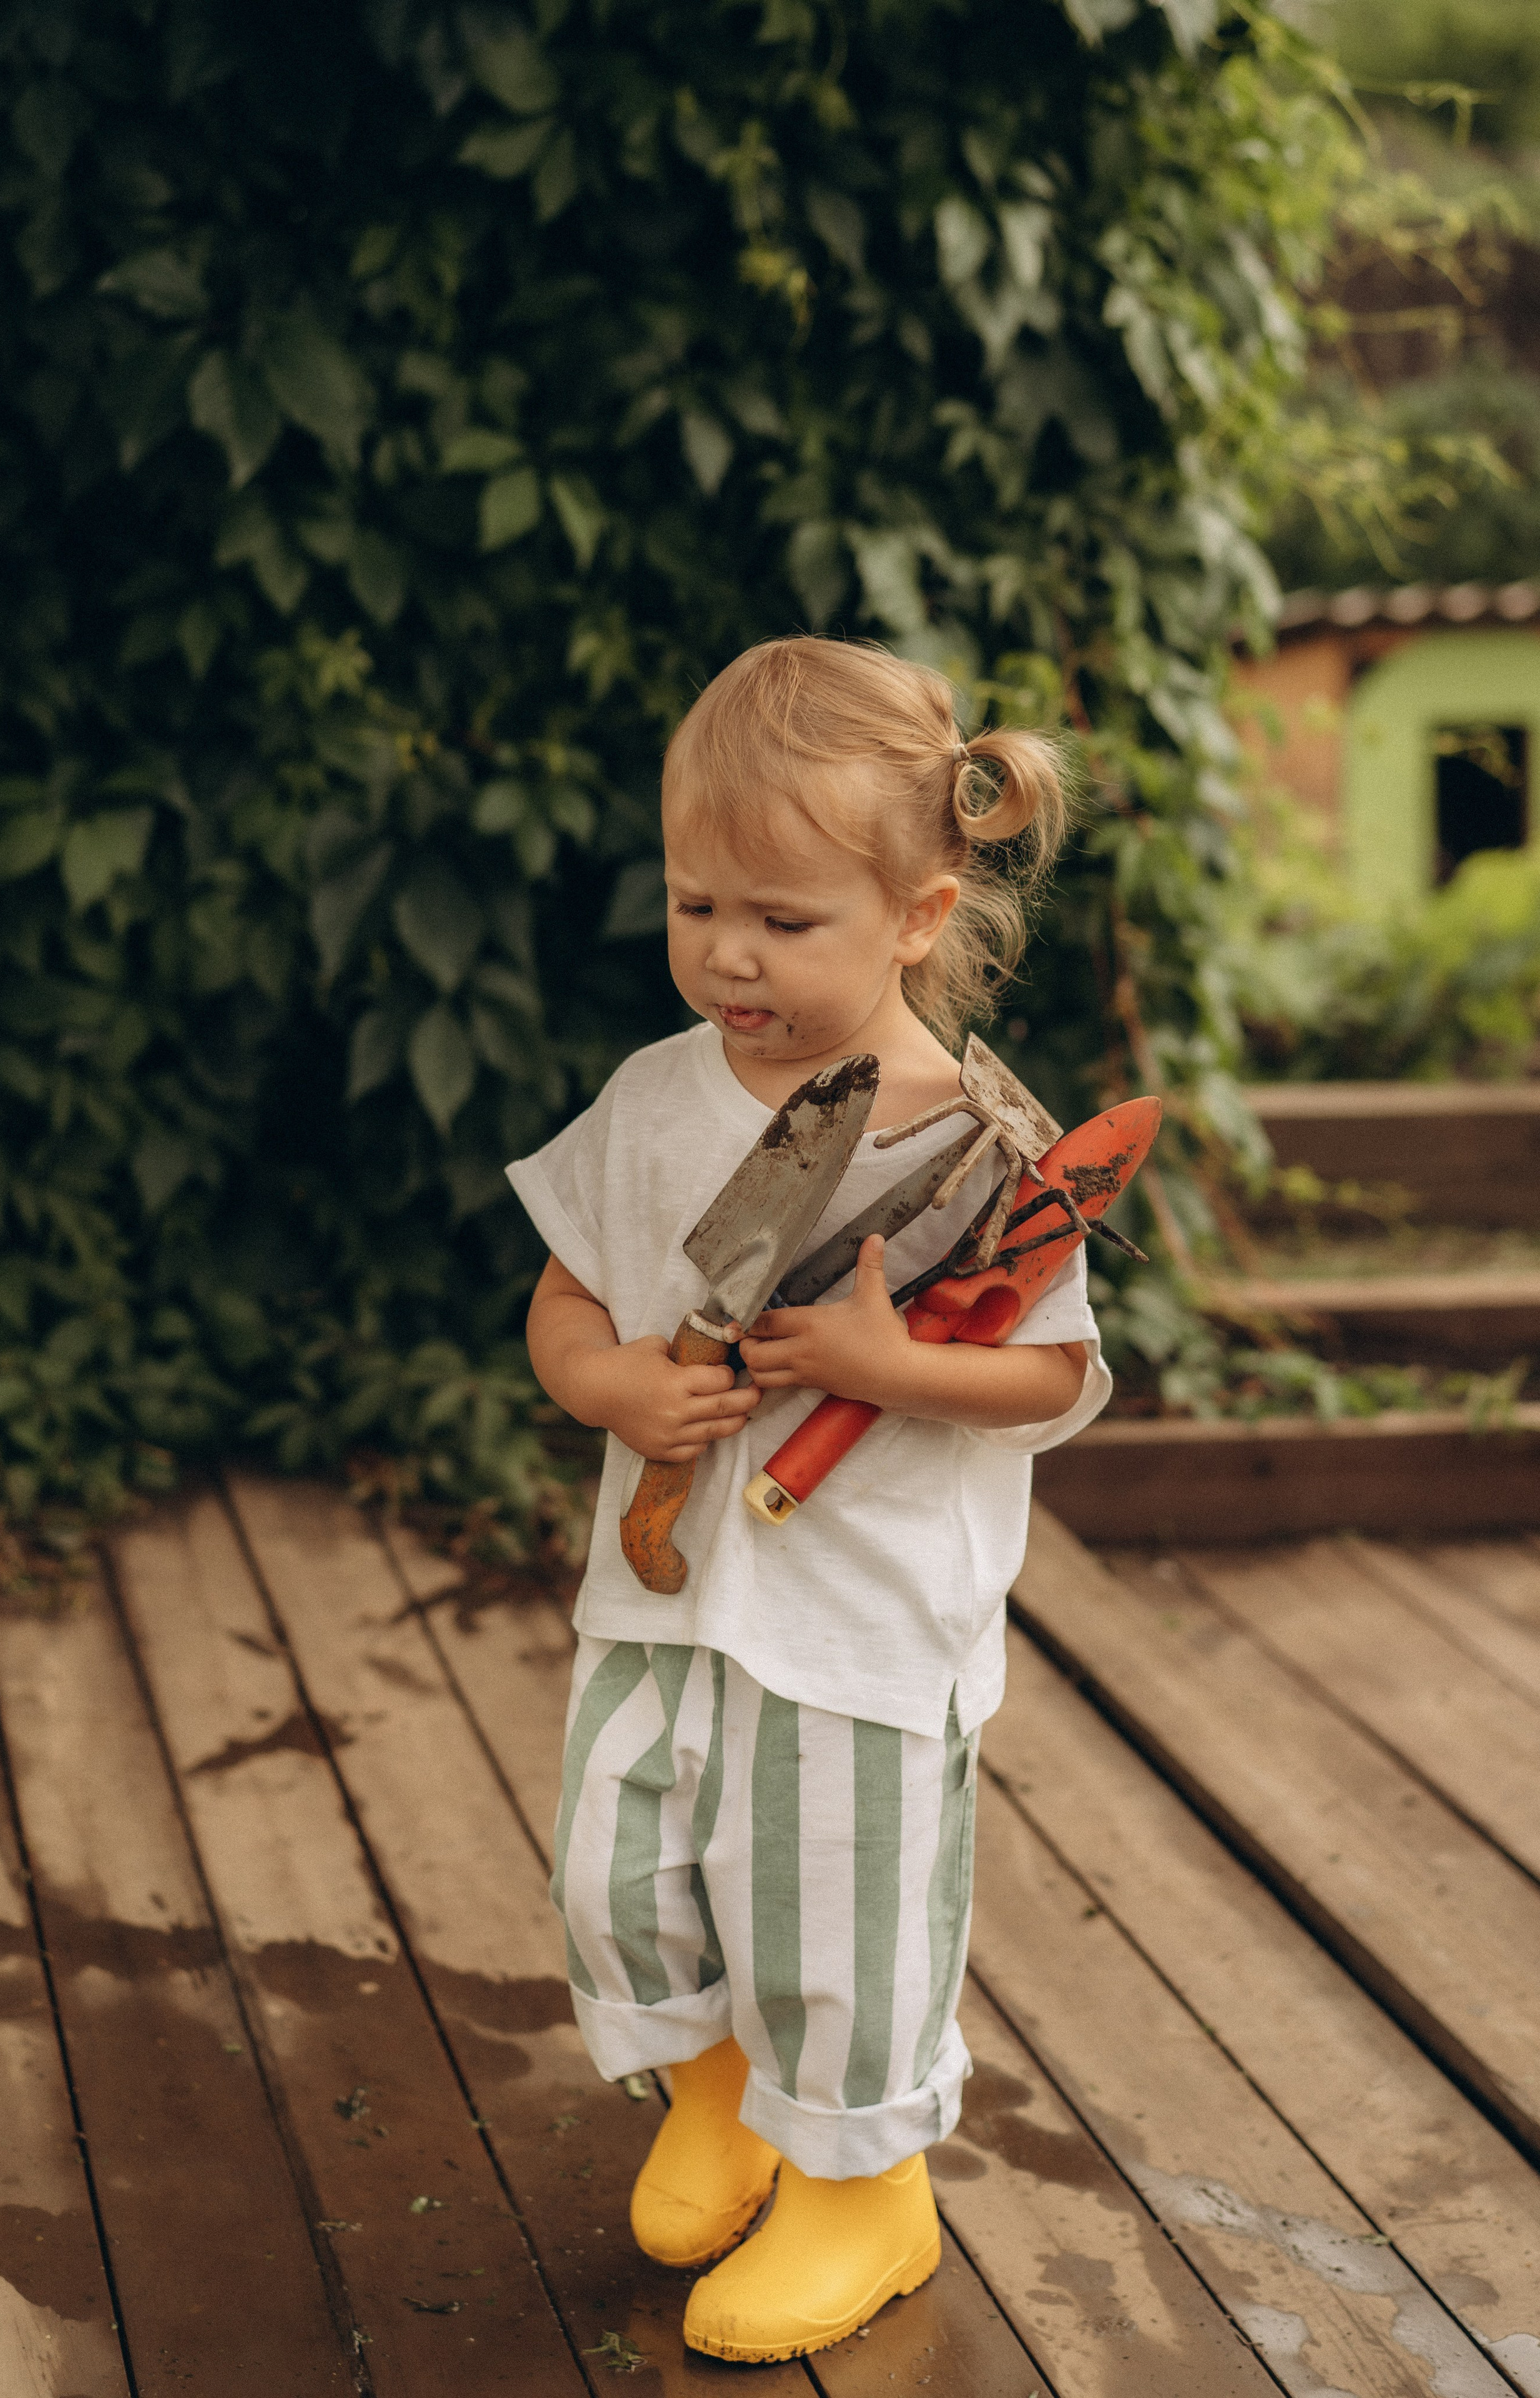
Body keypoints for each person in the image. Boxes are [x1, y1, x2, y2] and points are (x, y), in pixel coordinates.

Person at [507, 636, 1110, 2362]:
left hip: (859, 1622)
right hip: (661, 1591)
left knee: (832, 1907)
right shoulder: (655, 1095)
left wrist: (888, 1365)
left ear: (920, 915)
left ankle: (864, 2188)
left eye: (783, 918)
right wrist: (611, 1383)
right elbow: (565, 1292)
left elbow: (1058, 1376)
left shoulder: (976, 1143)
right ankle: (717, 2095)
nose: (729, 953)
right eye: (697, 905)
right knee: (623, 1868)